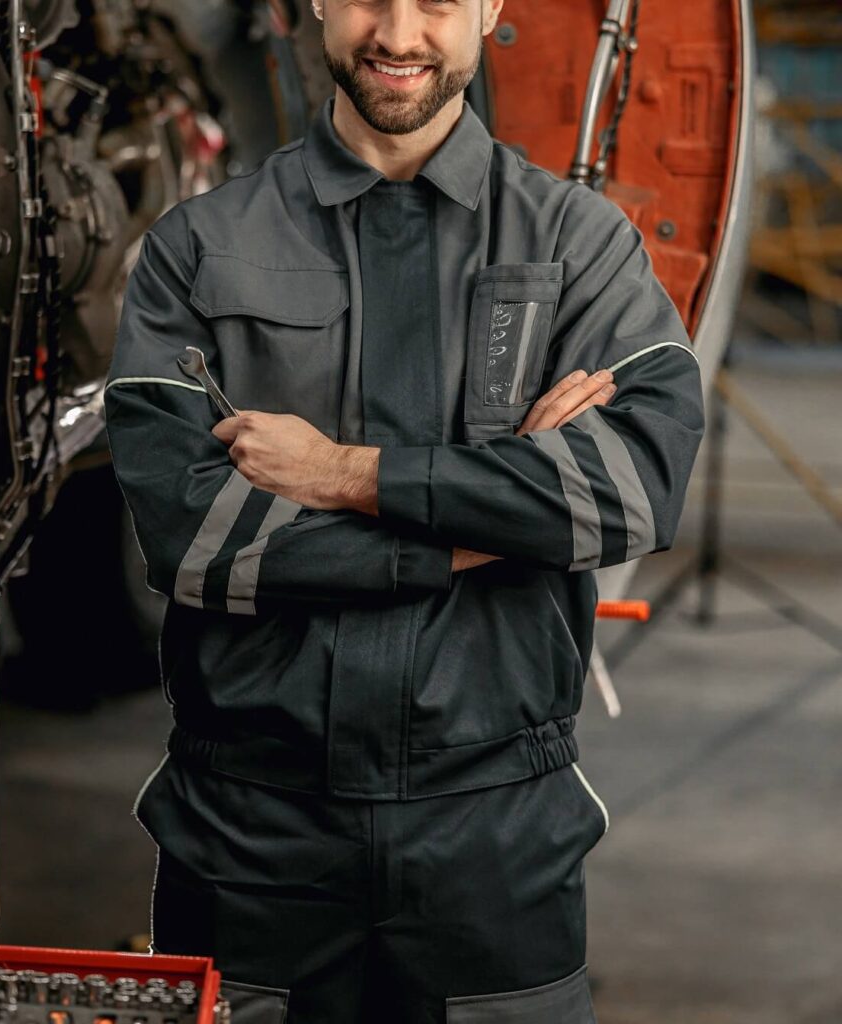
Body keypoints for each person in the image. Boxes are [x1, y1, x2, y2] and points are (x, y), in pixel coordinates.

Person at [103, 0, 705, 1020]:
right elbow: (193, 536)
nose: (397, 33)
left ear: (490, 8)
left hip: (496, 834)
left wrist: (341, 473)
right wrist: (488, 525)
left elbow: (630, 488)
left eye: (435, 1)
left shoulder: (578, 242)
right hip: (250, 833)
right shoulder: (198, 246)